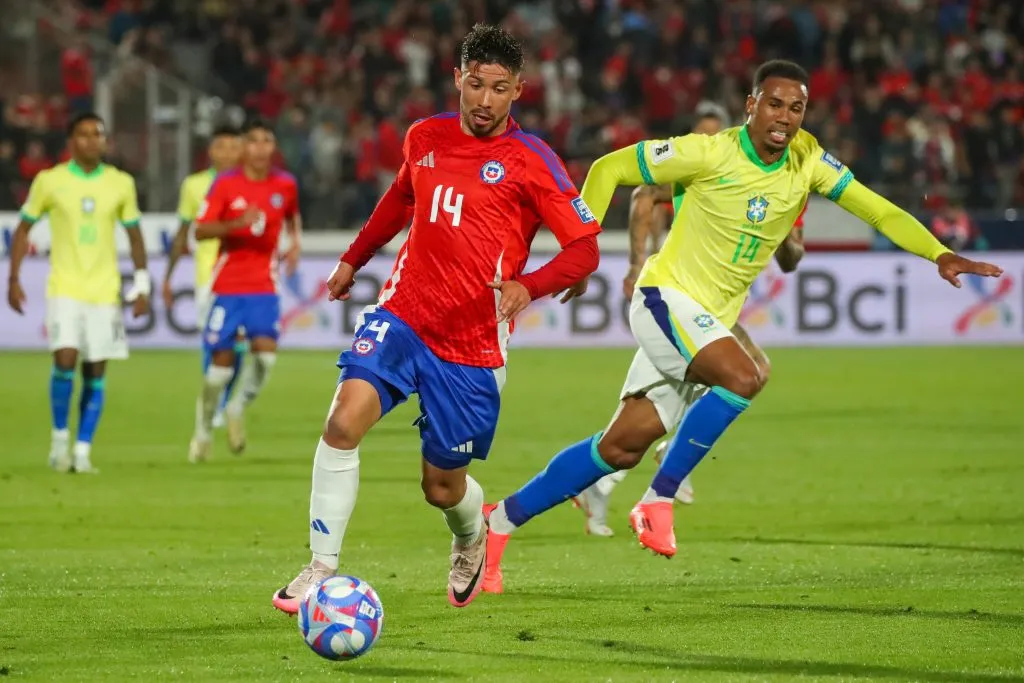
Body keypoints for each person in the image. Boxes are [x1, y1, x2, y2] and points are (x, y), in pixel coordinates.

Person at [481, 59, 1002, 593]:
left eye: (795, 107)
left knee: (619, 449)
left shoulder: (808, 160)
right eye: (773, 104)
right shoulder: (710, 152)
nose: (784, 117)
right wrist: (581, 254)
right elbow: (609, 168)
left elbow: (876, 210)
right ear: (751, 104)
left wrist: (937, 253)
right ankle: (658, 499)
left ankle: (497, 523)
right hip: (666, 299)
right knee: (745, 375)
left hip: (704, 321)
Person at [271, 23, 601, 614]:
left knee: (441, 488)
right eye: (475, 85)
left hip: (471, 346)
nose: (484, 101)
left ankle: (472, 536)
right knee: (342, 424)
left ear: (519, 90)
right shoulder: (425, 136)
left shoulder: (531, 161)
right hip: (403, 317)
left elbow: (584, 248)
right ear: (457, 78)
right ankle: (321, 566)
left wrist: (531, 285)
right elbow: (401, 198)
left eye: (499, 89)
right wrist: (354, 258)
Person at [573, 104, 808, 537]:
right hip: (678, 295)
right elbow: (644, 195)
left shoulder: (775, 181)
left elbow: (791, 258)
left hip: (710, 302)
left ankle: (601, 485)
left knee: (655, 404)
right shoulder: (694, 168)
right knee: (737, 375)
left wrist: (786, 228)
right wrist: (635, 264)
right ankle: (646, 472)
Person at [6, 112, 151, 473]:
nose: (91, 140)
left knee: (95, 370)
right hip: (65, 288)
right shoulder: (50, 181)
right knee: (65, 360)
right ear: (71, 141)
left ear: (105, 141)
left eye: (98, 134)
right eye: (84, 134)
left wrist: (143, 284)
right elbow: (23, 228)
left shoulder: (120, 184)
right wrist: (13, 277)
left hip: (104, 291)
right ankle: (59, 442)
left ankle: (83, 450)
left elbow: (134, 235)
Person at [188, 118, 301, 463]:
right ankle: (204, 429)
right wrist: (234, 224)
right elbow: (201, 231)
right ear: (244, 148)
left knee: (265, 356)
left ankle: (236, 408)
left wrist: (295, 244)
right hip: (227, 285)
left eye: (267, 140)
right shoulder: (225, 184)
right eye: (253, 140)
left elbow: (292, 217)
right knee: (218, 369)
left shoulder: (285, 184)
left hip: (264, 284)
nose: (260, 147)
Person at [163, 125, 243, 428]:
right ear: (210, 151)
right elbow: (183, 232)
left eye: (233, 147)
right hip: (207, 277)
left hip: (243, 276)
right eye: (221, 147)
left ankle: (221, 403)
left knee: (239, 347)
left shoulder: (250, 184)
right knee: (214, 343)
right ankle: (214, 404)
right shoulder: (193, 185)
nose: (227, 153)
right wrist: (168, 277)